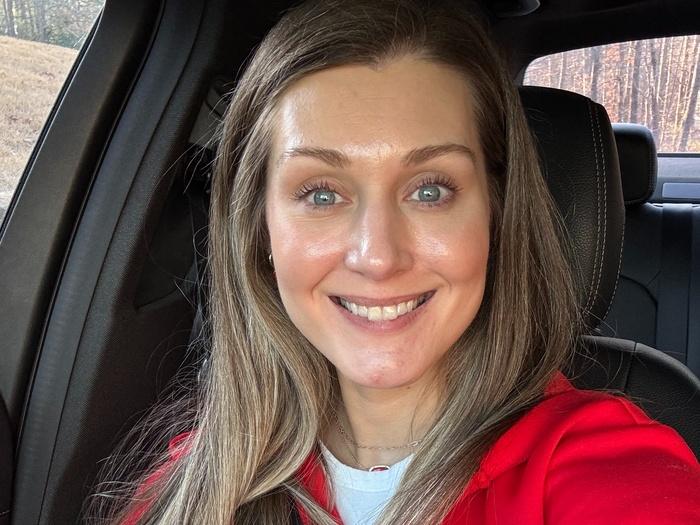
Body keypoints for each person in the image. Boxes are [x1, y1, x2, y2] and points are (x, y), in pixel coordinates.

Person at [89, 0, 700, 524]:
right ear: (260, 228)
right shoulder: (192, 482)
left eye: (429, 190)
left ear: (496, 214)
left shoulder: (605, 471)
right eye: (321, 194)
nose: (378, 257)